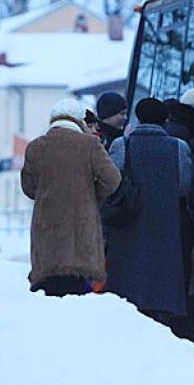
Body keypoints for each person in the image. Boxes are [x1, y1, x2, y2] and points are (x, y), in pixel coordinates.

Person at [107, 98, 194, 333]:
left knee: (130, 281)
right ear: (164, 120)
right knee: (161, 282)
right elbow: (184, 187)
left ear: (138, 117)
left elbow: (112, 183)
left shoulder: (121, 145)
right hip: (165, 225)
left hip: (128, 224)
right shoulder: (178, 146)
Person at [21, 98, 121, 297]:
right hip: (80, 232)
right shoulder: (89, 144)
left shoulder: (36, 147)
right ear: (79, 120)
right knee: (75, 296)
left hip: (46, 232)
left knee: (48, 294)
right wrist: (91, 196)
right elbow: (113, 180)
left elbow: (28, 187)